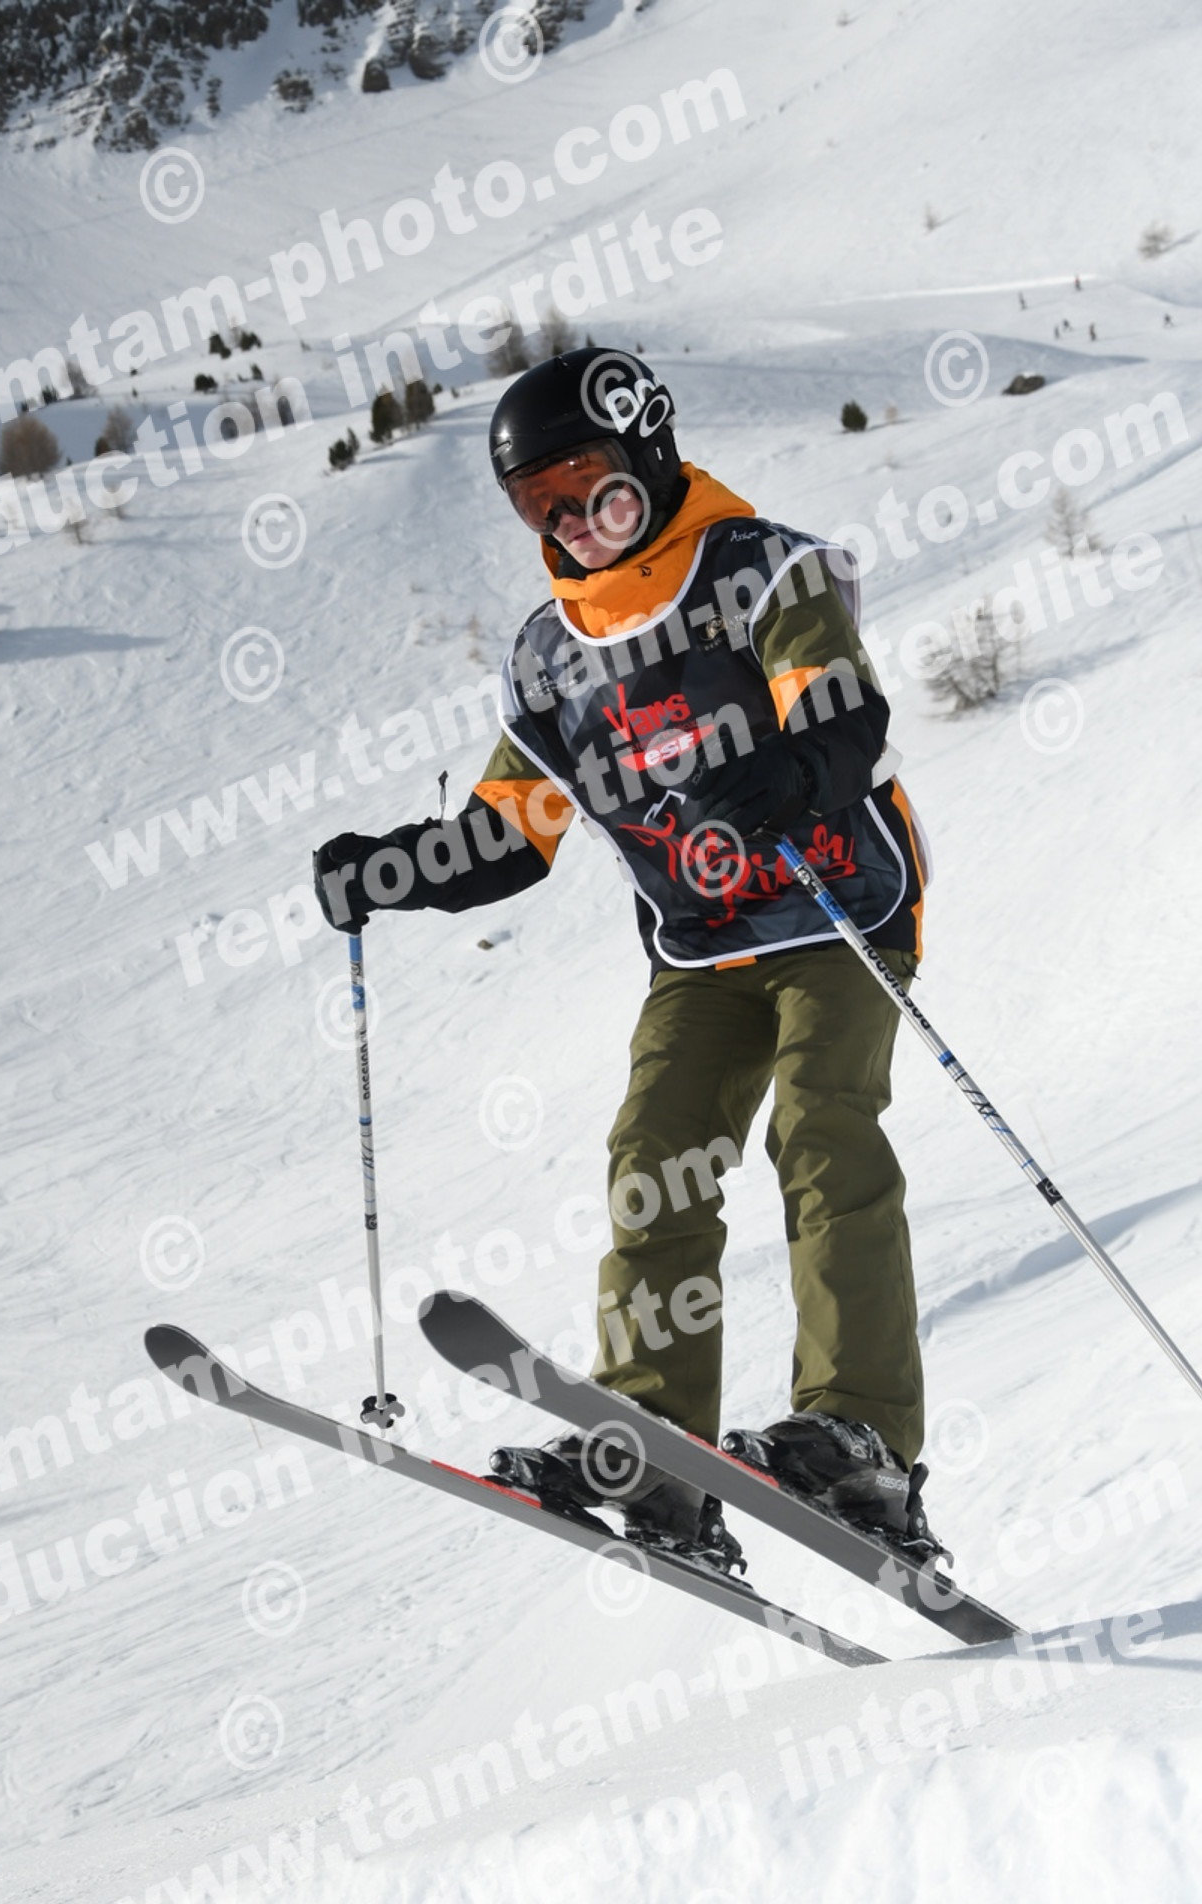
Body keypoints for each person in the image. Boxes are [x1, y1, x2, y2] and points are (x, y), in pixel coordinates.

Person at [312, 348, 938, 1578]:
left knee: (821, 1132)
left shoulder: (763, 570)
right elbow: (512, 831)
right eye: (539, 505)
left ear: (649, 451)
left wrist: (781, 772)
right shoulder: (552, 656)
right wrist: (396, 867)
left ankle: (862, 1435)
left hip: (837, 911)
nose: (575, 525)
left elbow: (844, 718)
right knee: (653, 1162)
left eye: (593, 488)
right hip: (700, 950)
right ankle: (654, 1448)